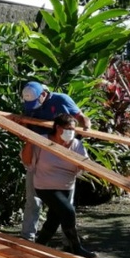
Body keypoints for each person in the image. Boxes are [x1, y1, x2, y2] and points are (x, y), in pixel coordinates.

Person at [19, 81, 91, 242]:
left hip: (63, 153)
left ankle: (68, 240)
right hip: (39, 152)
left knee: (65, 204)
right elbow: (26, 128)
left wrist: (85, 127)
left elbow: (80, 117)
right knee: (33, 200)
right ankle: (28, 237)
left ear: (43, 94)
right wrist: (23, 131)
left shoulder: (61, 100)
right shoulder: (30, 104)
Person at [20, 113, 97, 258]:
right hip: (45, 186)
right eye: (67, 128)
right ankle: (76, 247)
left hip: (67, 186)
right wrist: (29, 142)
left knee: (54, 219)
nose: (71, 132)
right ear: (57, 127)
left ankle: (39, 246)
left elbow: (84, 165)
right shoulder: (42, 141)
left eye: (73, 129)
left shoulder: (76, 145)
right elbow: (27, 160)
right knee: (68, 212)